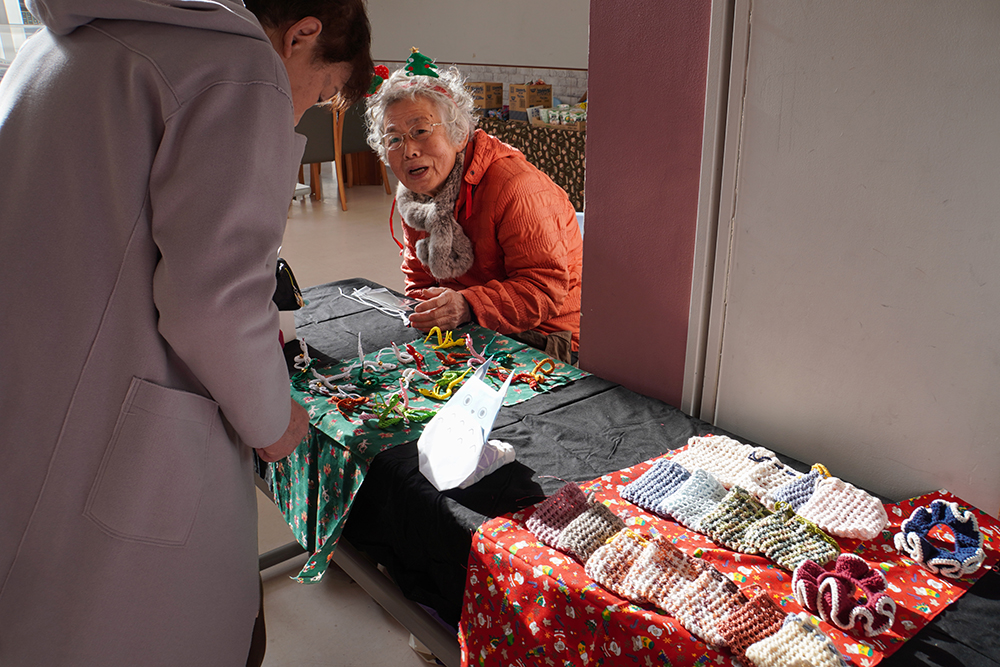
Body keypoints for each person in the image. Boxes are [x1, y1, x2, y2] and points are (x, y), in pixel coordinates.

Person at [0, 0, 370, 665]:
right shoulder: (239, 64)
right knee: (176, 626)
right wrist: (271, 419)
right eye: (318, 94)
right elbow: (215, 302)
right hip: (116, 438)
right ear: (301, 36)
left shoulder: (55, 44)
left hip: (34, 395)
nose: (301, 113)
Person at [366, 62, 583, 363]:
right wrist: (427, 310)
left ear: (458, 134)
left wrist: (467, 305)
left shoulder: (516, 187)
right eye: (394, 139)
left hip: (543, 338)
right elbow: (419, 279)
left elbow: (542, 290)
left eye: (421, 131)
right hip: (469, 327)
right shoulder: (416, 198)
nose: (409, 151)